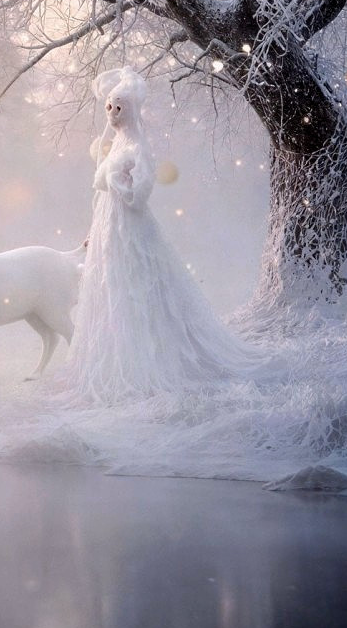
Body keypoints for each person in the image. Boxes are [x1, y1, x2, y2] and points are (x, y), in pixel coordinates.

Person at [63, 68, 266, 400]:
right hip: (109, 226)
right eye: (109, 108)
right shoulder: (117, 143)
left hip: (129, 227)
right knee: (113, 286)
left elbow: (141, 192)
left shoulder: (137, 144)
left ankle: (149, 357)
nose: (113, 115)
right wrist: (94, 229)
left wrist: (117, 183)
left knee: (137, 287)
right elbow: (105, 192)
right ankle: (118, 356)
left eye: (119, 108)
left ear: (130, 110)